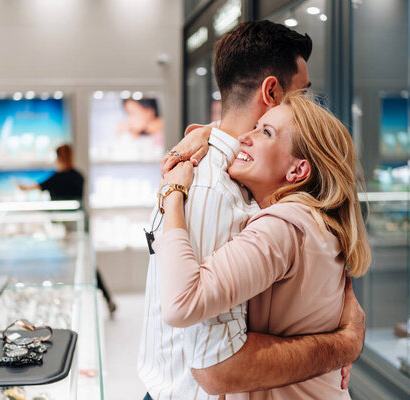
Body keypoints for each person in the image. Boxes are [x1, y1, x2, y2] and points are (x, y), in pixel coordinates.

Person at [138, 21, 365, 400]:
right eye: (303, 93)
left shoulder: (233, 175)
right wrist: (343, 342)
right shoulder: (215, 188)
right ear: (272, 91)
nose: (306, 106)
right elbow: (215, 363)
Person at [17, 144, 117, 316]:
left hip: (63, 229)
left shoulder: (55, 178)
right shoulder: (78, 176)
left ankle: (66, 302)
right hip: (80, 227)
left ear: (58, 158)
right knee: (88, 264)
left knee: (67, 265)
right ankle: (107, 299)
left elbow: (31, 188)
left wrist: (21, 186)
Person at [17, 144, 84, 201]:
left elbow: (39, 186)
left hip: (58, 214)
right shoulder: (79, 176)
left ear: (59, 158)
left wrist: (23, 187)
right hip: (76, 214)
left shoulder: (57, 178)